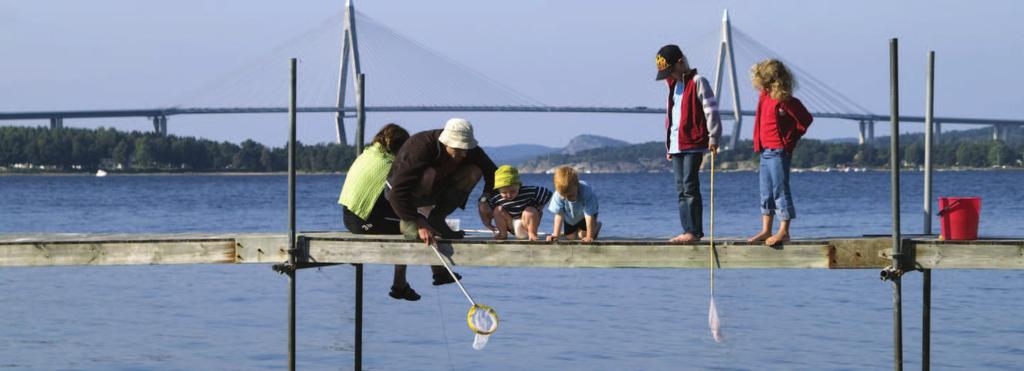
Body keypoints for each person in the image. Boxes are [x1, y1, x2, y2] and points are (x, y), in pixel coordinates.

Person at [388, 118, 498, 285]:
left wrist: (485, 200)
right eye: (459, 149)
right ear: (446, 142)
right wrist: (418, 221)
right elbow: (396, 193)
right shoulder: (420, 146)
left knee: (474, 171)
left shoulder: (469, 149)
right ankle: (420, 221)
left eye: (466, 148)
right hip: (405, 199)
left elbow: (493, 173)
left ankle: (437, 218)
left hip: (437, 190)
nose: (464, 154)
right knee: (428, 174)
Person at [338, 123, 422, 301]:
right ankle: (401, 283)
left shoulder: (367, 155)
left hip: (349, 217)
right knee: (410, 225)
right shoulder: (390, 164)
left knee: (405, 218)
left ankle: (401, 283)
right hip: (363, 222)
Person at [654, 44, 722, 242]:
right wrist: (668, 145)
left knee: (690, 187)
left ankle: (694, 231)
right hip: (676, 145)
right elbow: (671, 118)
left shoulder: (698, 82)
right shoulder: (673, 87)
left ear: (680, 63)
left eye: (671, 71)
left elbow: (711, 111)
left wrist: (713, 137)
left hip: (693, 143)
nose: (670, 76)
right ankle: (687, 230)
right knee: (681, 189)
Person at [746, 59, 813, 246]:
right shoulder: (764, 96)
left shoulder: (786, 101)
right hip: (765, 151)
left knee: (780, 190)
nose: (759, 82)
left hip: (778, 150)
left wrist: (789, 140)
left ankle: (784, 231)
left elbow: (805, 120)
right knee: (765, 192)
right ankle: (766, 229)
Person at [487, 165, 553, 241]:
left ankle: (532, 234)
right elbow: (489, 208)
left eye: (513, 191)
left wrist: (538, 208)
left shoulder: (528, 191)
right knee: (497, 210)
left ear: (519, 186)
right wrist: (488, 221)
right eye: (504, 192)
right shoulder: (497, 198)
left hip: (526, 225)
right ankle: (503, 233)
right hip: (510, 225)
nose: (509, 195)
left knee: (530, 210)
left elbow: (547, 193)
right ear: (498, 190)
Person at [545, 166, 601, 242]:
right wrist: (555, 235)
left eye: (570, 195)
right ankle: (578, 230)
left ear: (577, 185)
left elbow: (589, 215)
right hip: (570, 217)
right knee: (571, 238)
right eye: (564, 196)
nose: (567, 198)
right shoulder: (558, 194)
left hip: (585, 216)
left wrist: (589, 236)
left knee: (583, 236)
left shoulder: (586, 192)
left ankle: (596, 226)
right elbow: (559, 215)